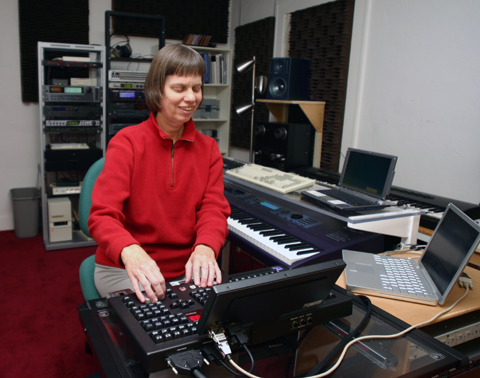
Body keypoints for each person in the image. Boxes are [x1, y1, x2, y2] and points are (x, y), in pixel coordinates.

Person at [88, 44, 230, 304]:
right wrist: (131, 252)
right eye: (179, 88)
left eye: (196, 88)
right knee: (159, 323)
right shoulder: (127, 143)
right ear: (157, 90)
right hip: (124, 267)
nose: (191, 98)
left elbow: (214, 210)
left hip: (184, 270)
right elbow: (102, 216)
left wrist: (206, 247)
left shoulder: (209, 149)